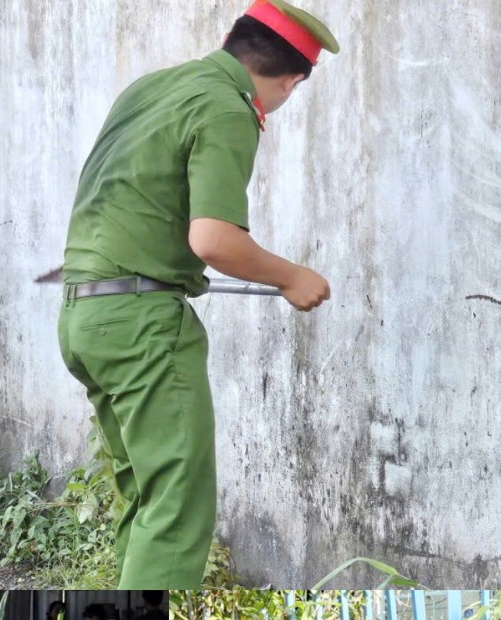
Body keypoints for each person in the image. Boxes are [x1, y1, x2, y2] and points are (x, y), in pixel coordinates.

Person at [58, 2, 338, 589]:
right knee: (177, 510)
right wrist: (290, 276)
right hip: (142, 326)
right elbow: (212, 239)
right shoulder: (228, 108)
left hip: (84, 314)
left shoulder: (151, 88)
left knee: (146, 496)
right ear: (290, 80)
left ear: (232, 41)